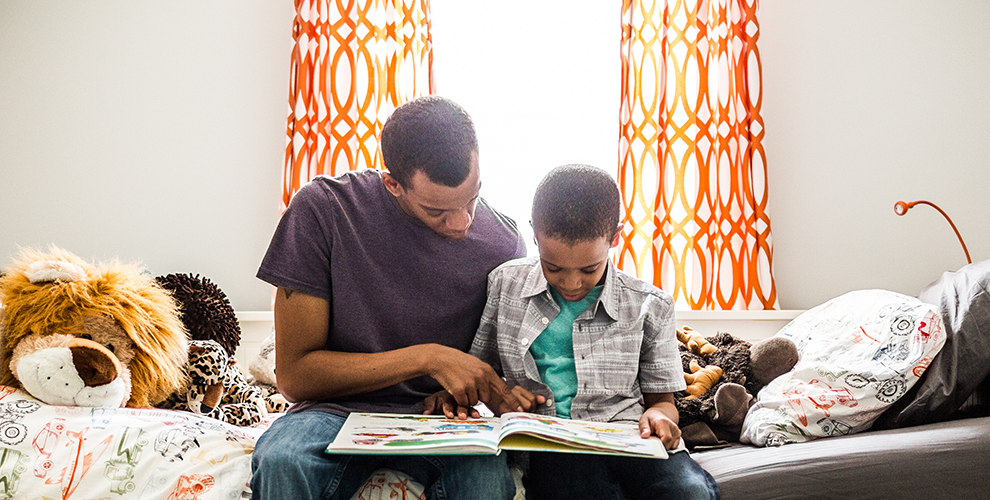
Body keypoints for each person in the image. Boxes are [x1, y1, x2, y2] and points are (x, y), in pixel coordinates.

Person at [250, 96, 532, 500]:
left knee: (486, 480)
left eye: (472, 198)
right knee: (284, 460)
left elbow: (495, 366)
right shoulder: (325, 210)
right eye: (438, 211)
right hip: (330, 412)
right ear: (393, 184)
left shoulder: (503, 242)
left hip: (441, 421)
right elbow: (295, 378)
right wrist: (429, 357)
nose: (462, 222)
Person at [430, 164, 720, 499]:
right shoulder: (505, 285)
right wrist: (504, 394)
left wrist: (659, 418)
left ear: (615, 237)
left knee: (690, 492)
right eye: (552, 267)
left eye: (589, 269)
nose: (571, 283)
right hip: (553, 445)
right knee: (572, 488)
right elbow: (482, 375)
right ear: (534, 235)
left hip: (631, 439)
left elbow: (662, 403)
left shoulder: (650, 305)